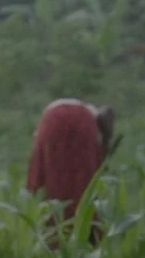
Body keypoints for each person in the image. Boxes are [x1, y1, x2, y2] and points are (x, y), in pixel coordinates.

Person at [26, 98, 118, 245]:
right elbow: (100, 161)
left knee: (53, 180)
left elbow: (37, 165)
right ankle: (87, 234)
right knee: (84, 182)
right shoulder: (94, 119)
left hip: (52, 121)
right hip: (82, 124)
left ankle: (53, 237)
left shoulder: (86, 111)